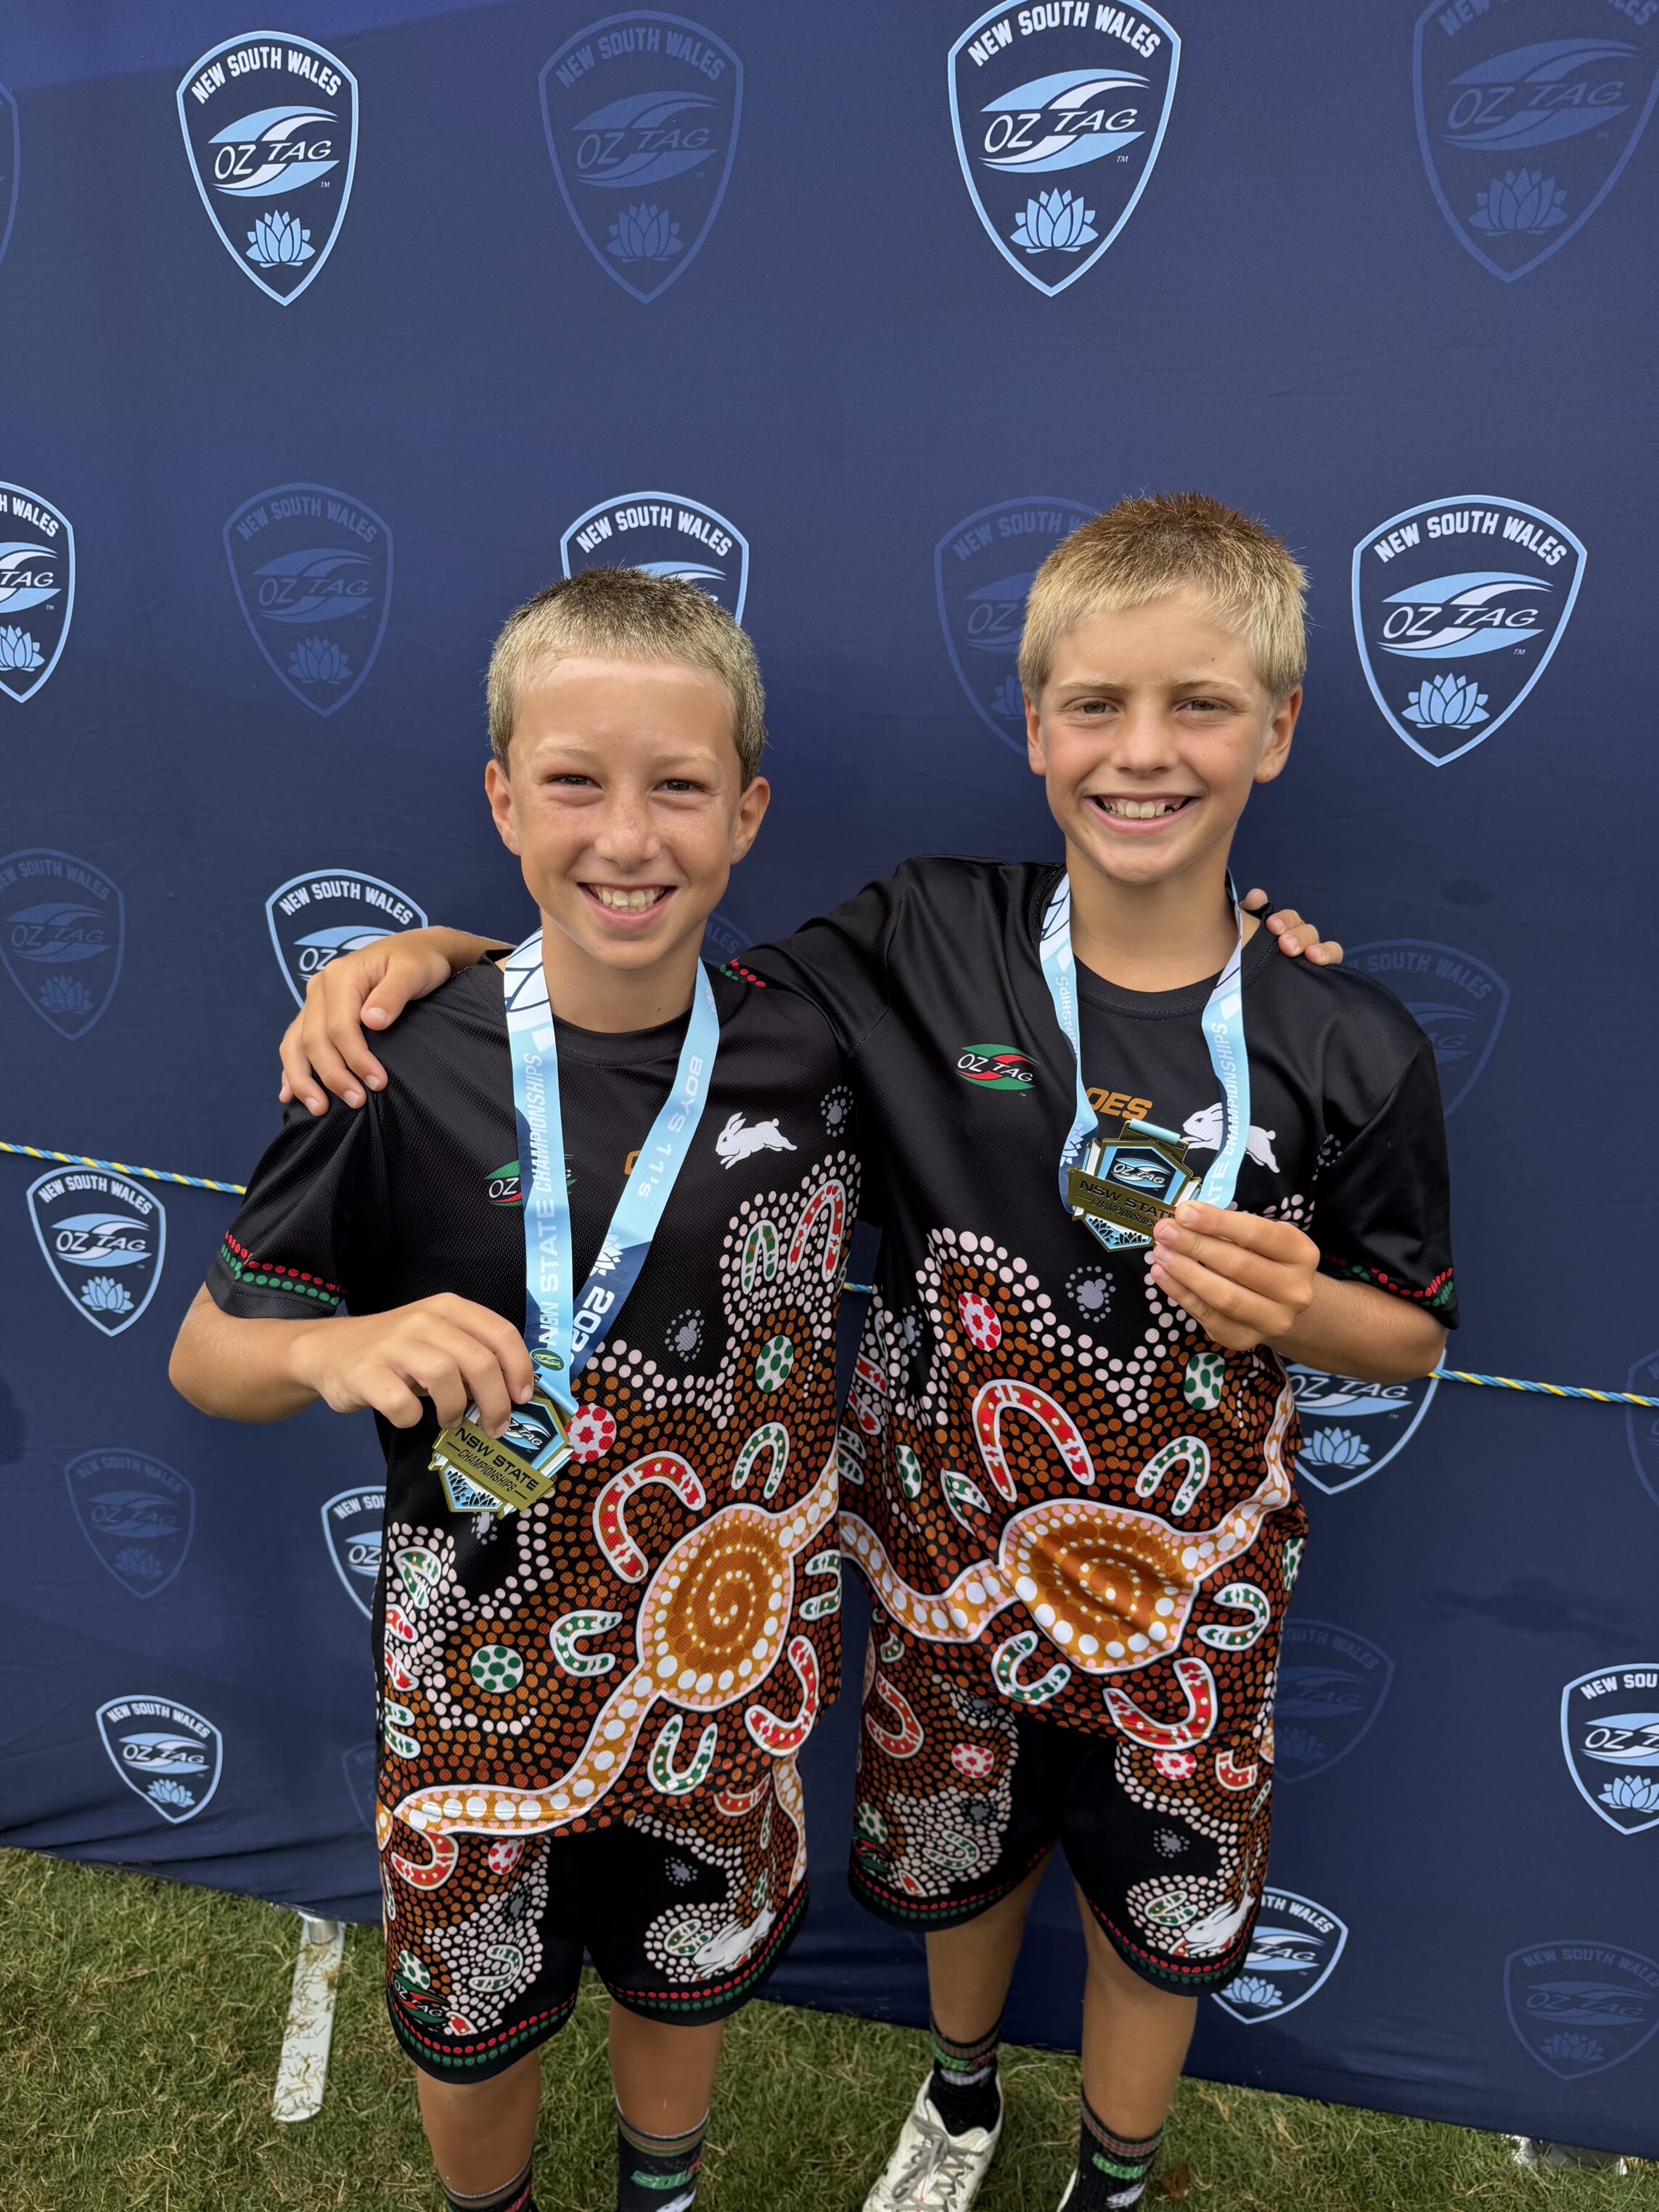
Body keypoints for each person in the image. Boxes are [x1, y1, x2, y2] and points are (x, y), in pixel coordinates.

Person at [274, 494, 1412, 2212]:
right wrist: (425, 960)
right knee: (953, 1865)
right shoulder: (923, 933)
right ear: (1035, 728)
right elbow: (620, 976)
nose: (1142, 751)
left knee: (1155, 1903)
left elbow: (1406, 1325)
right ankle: (960, 2096)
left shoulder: (1336, 1030)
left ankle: (1113, 2176)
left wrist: (1301, 1311)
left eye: (1196, 707)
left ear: (1280, 727)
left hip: (1199, 1592)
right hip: (946, 1563)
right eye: (1096, 706)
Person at [169, 568, 865, 2212]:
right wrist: (334, 1346)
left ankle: (659, 2189)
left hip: (725, 1651)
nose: (628, 838)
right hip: (480, 1676)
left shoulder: (817, 1045)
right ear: (500, 795)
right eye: (574, 783)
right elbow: (209, 1355)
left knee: (681, 1968)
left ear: (748, 812)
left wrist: (1256, 938)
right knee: (474, 2015)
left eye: (679, 788)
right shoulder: (391, 1057)